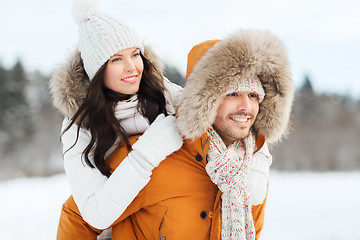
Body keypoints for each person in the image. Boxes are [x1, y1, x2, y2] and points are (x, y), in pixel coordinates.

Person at [55, 29, 294, 240]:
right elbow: (79, 216)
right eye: (232, 94)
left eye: (254, 96)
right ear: (206, 100)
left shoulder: (249, 172)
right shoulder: (154, 152)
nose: (246, 106)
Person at [49, 0, 183, 232]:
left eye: (135, 54)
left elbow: (222, 119)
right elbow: (96, 215)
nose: (132, 67)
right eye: (117, 59)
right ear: (97, 71)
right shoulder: (79, 125)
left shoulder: (165, 94)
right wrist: (148, 151)